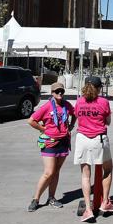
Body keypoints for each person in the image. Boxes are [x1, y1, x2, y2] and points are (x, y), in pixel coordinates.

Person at [27, 82, 75, 212]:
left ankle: (52, 198)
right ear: (52, 93)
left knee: (56, 171)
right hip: (50, 142)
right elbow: (31, 120)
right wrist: (42, 128)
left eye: (61, 91)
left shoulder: (67, 105)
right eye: (57, 91)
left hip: (63, 141)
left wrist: (71, 126)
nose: (60, 93)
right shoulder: (47, 106)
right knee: (48, 172)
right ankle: (36, 199)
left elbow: (74, 114)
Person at [73, 76, 113, 222]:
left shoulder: (79, 101)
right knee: (108, 169)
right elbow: (108, 122)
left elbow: (77, 117)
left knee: (85, 175)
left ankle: (89, 210)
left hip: (82, 139)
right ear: (99, 88)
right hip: (99, 139)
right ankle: (105, 203)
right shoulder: (103, 102)